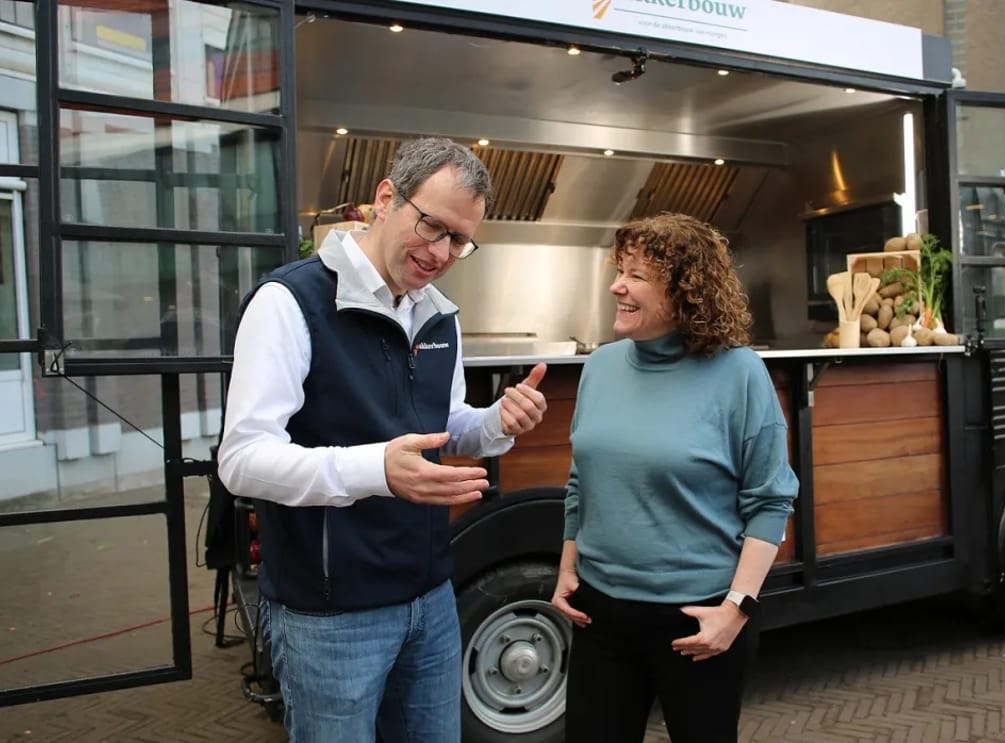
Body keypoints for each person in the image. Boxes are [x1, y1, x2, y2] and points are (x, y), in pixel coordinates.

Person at [218, 137, 548, 743]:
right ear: (385, 198)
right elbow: (240, 462)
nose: (442, 252)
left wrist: (499, 420)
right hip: (330, 613)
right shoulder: (290, 303)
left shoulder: (439, 315)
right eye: (432, 226)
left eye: (459, 241)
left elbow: (449, 428)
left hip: (430, 598)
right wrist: (377, 469)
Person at [551, 213, 798, 743]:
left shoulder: (739, 374)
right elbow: (581, 482)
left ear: (686, 289)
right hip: (600, 617)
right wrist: (568, 568)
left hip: (697, 621)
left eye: (637, 275)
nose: (617, 286)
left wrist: (735, 612)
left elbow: (772, 502)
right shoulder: (601, 366)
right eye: (620, 270)